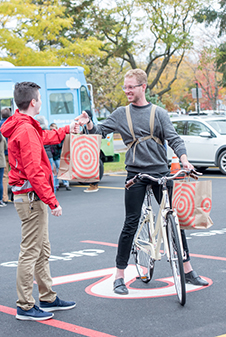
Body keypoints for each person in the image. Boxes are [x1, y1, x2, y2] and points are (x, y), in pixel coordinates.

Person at [76, 68, 208, 295]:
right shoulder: (120, 113)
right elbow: (99, 131)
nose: (127, 90)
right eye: (125, 87)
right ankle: (119, 276)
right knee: (131, 223)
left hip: (161, 172)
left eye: (131, 87)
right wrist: (88, 124)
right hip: (135, 174)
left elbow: (174, 139)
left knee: (175, 220)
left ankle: (187, 270)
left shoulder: (159, 113)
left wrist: (184, 160)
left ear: (143, 87)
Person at [1, 82, 79, 321]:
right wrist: (52, 201)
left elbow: (44, 137)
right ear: (33, 102)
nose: (41, 102)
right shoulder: (25, 129)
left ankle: (47, 297)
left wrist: (67, 129)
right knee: (32, 251)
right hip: (31, 198)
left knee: (41, 250)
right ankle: (25, 305)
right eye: (40, 99)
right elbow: (34, 170)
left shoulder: (23, 125)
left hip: (28, 197)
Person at [0, 108, 12, 203]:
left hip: (2, 154)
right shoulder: (14, 124)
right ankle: (16, 195)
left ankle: (4, 197)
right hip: (13, 153)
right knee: (16, 174)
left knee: (4, 176)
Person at [49, 123, 71, 191]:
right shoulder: (49, 136)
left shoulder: (58, 137)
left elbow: (60, 146)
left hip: (58, 155)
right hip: (52, 156)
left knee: (62, 170)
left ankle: (66, 184)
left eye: (53, 128)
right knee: (54, 171)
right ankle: (56, 184)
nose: (51, 130)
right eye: (50, 129)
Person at [81, 110, 99, 193]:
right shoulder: (86, 127)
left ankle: (94, 185)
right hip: (89, 149)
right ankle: (92, 184)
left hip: (91, 149)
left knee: (93, 166)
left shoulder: (91, 126)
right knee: (90, 166)